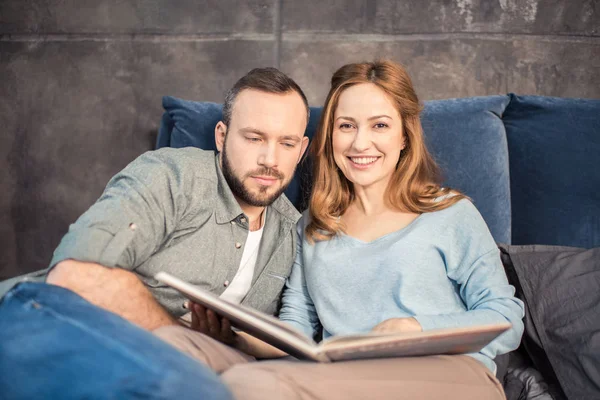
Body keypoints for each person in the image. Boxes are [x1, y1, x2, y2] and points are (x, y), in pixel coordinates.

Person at [156, 60, 525, 399]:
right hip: (346, 376)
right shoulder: (312, 228)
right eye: (346, 126)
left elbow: (506, 317)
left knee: (249, 385)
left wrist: (416, 327)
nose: (360, 143)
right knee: (174, 343)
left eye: (379, 125)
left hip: (452, 375)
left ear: (404, 137)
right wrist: (234, 336)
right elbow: (297, 330)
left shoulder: (449, 213)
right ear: (330, 137)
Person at [0, 67, 310, 331]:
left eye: (286, 143)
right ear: (221, 136)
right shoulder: (169, 177)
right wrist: (183, 340)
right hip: (41, 325)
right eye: (254, 138)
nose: (270, 159)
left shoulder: (292, 233)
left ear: (302, 150)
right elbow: (75, 274)